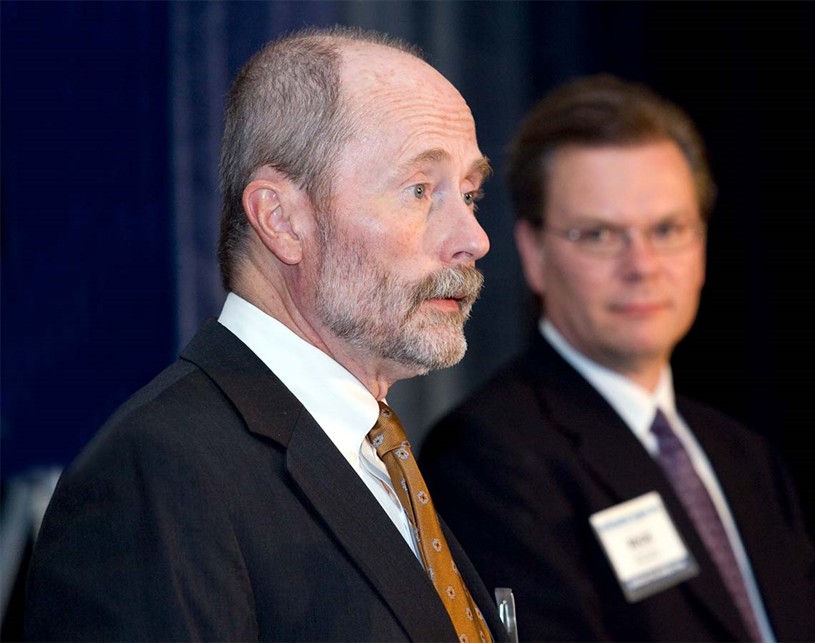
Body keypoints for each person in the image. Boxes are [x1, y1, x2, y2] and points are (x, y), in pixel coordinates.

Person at [24, 26, 507, 642]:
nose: (473, 238)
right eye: (420, 190)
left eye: (469, 193)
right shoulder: (157, 475)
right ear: (282, 221)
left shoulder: (374, 451)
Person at [421, 75, 815, 642]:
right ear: (534, 253)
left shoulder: (743, 457)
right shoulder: (490, 456)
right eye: (599, 234)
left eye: (667, 229)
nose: (642, 265)